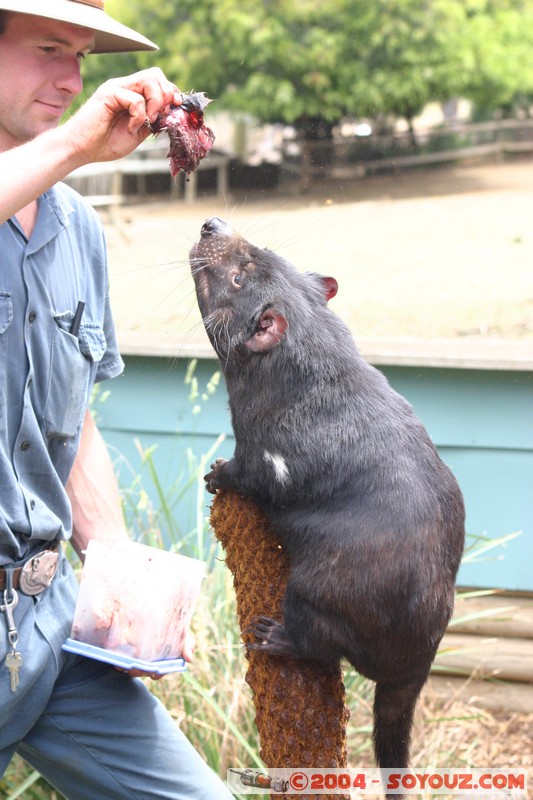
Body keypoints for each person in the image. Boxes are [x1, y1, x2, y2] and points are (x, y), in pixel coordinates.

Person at [0, 2, 234, 798]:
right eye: (48, 50)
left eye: (83, 56)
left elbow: (72, 417)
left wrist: (120, 580)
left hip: (44, 621)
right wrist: (73, 145)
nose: (73, 80)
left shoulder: (76, 227)